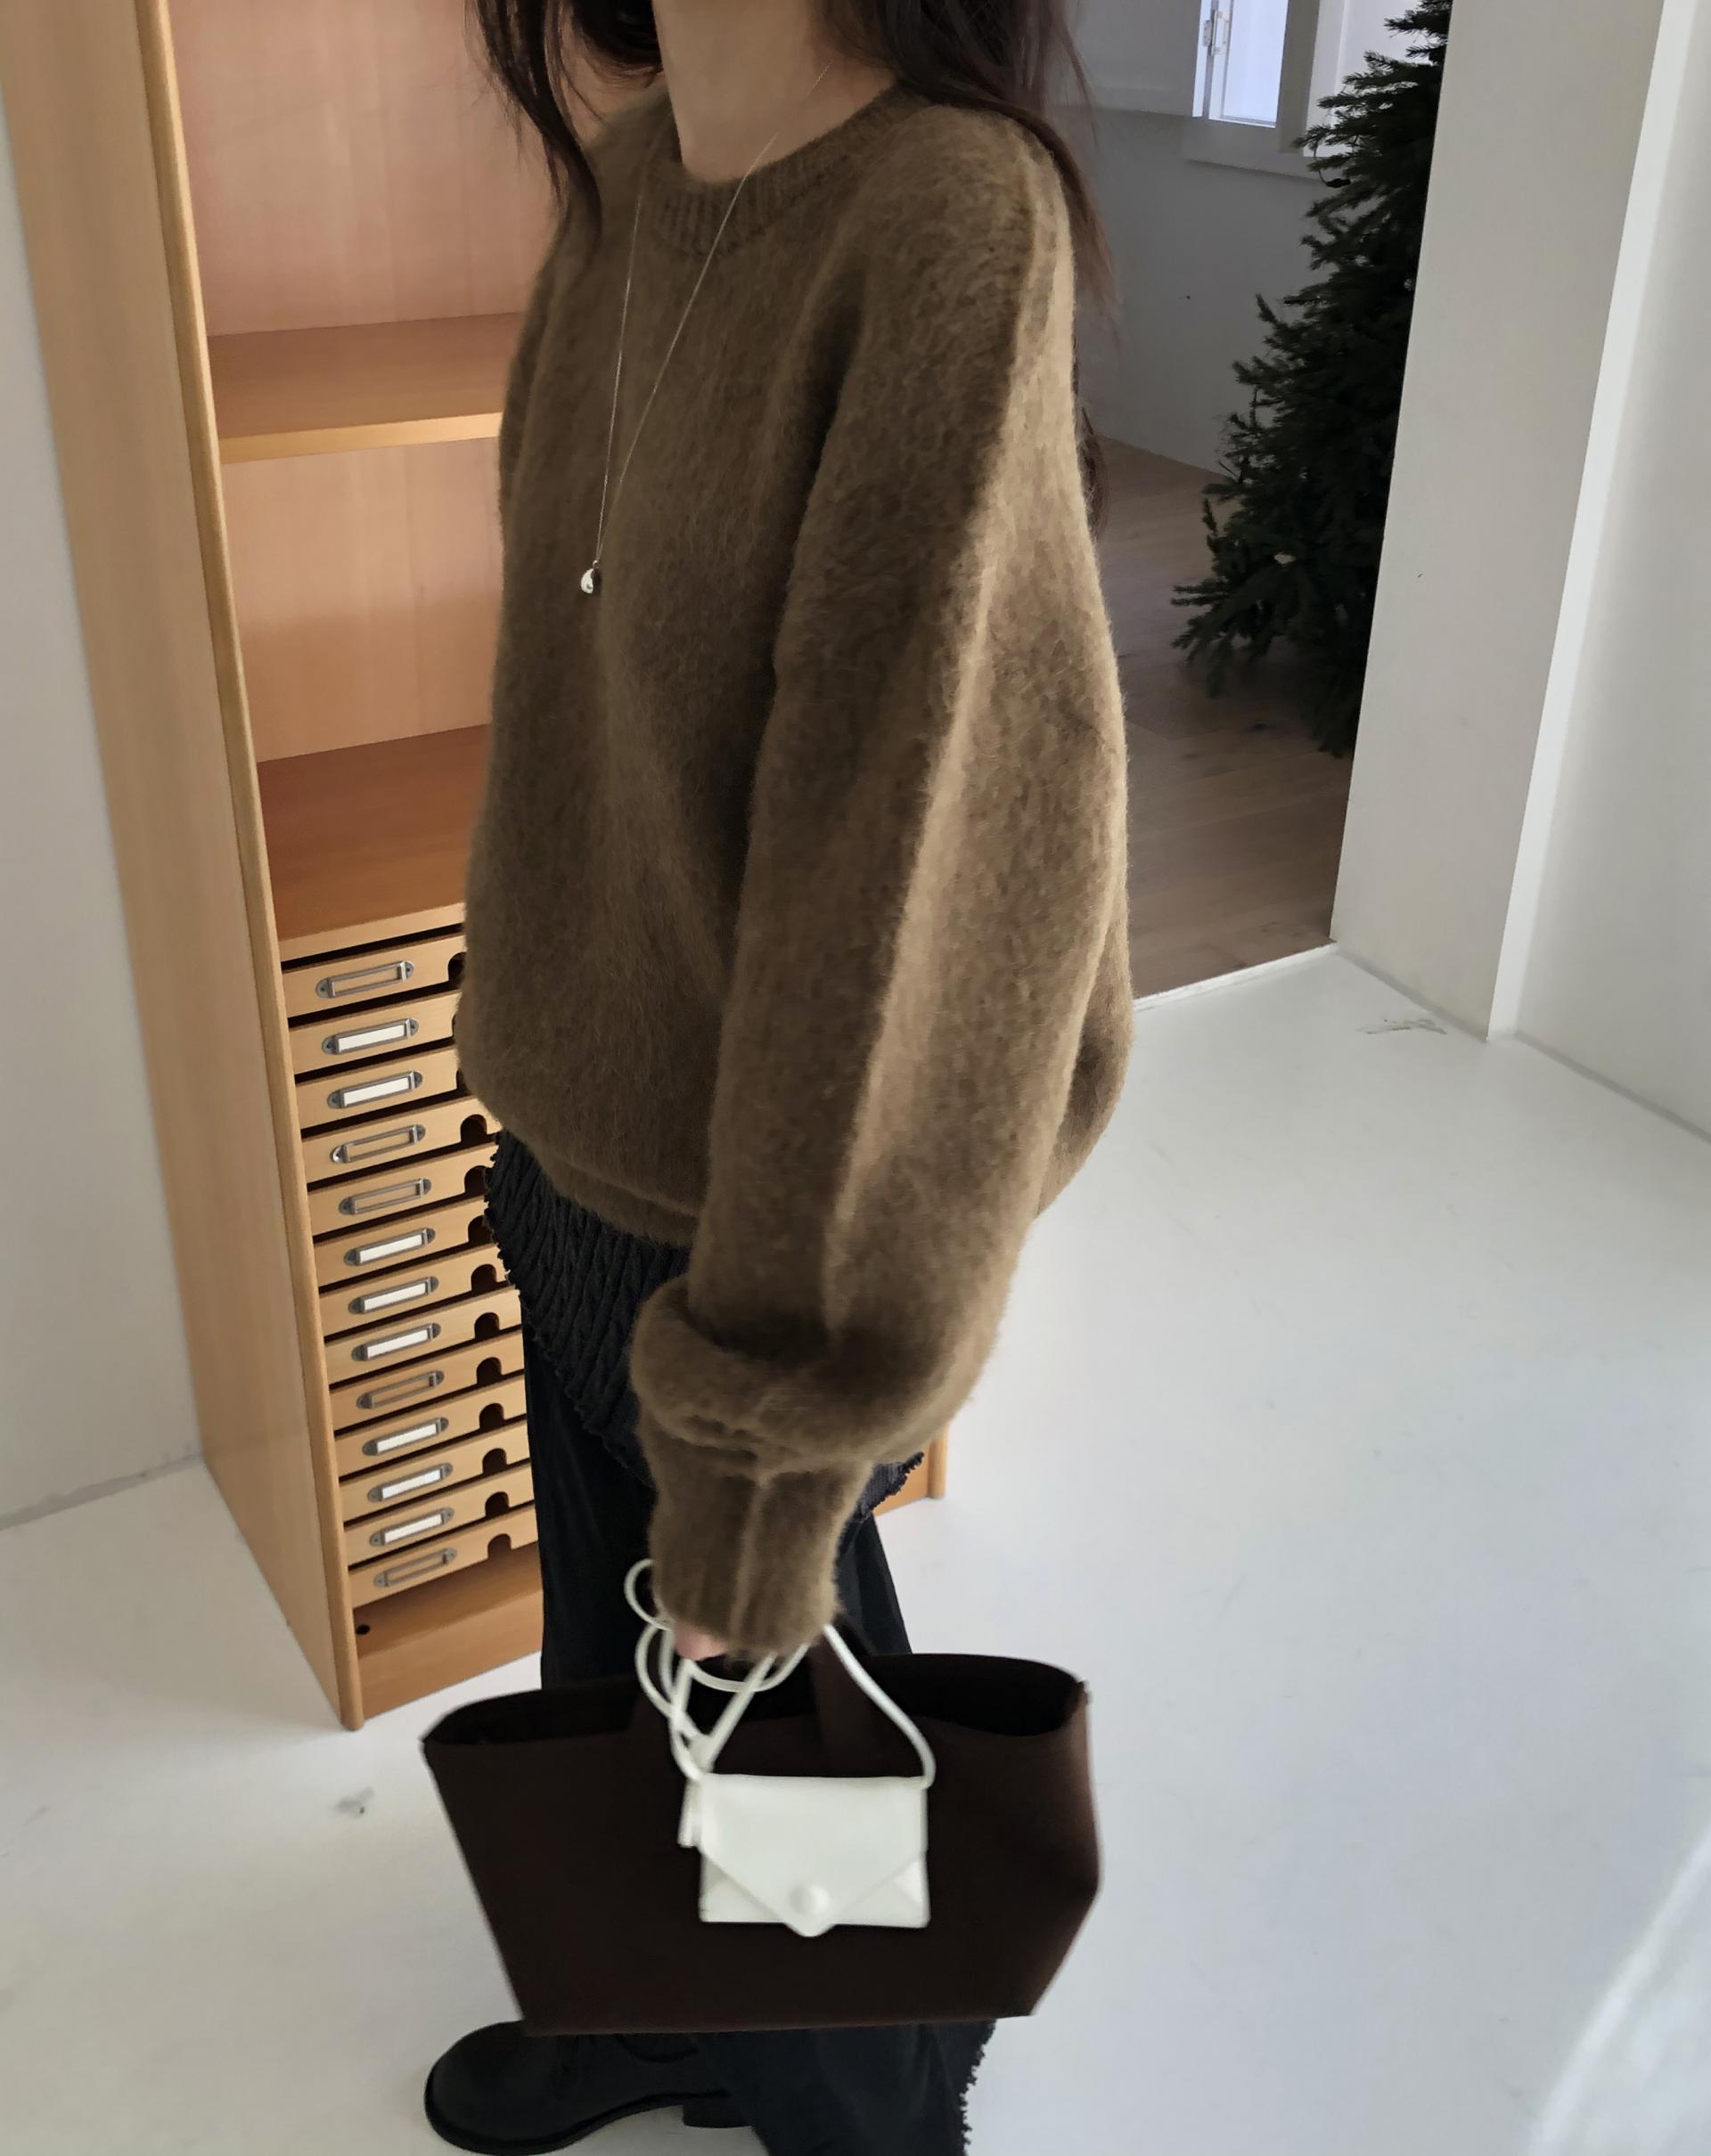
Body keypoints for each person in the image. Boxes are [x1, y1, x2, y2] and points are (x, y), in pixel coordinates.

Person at [428, 0, 1132, 2147]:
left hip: (761, 1231)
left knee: (779, 1753)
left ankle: (872, 2113)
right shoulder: (632, 183)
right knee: (610, 1681)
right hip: (568, 1158)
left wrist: (782, 1408)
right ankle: (642, 2005)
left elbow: (921, 886)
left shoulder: (943, 218)